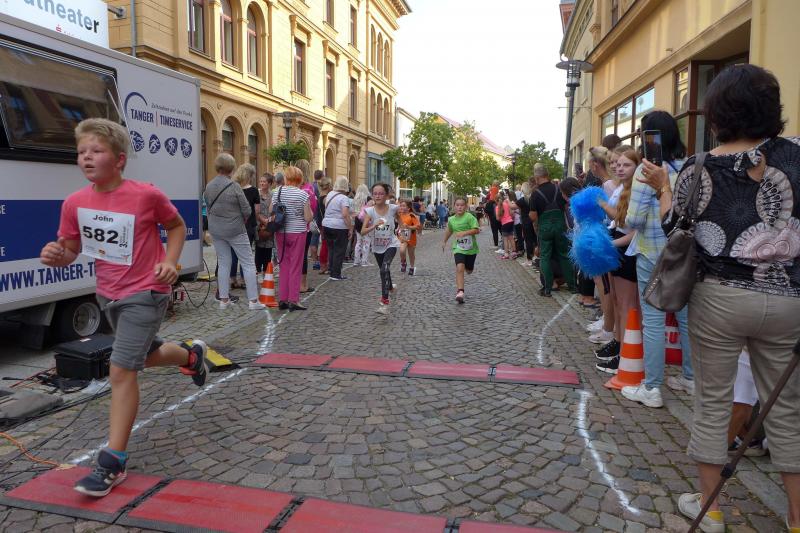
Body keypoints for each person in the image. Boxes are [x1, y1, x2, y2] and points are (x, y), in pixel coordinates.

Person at [638, 65, 800, 533]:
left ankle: (709, 509)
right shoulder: (796, 156)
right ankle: (796, 516)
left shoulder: (700, 166)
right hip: (787, 296)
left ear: (717, 113)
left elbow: (675, 230)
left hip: (720, 296)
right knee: (787, 409)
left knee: (713, 401)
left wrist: (664, 188)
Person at [40, 118, 208, 497]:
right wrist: (57, 256)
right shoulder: (74, 203)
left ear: (119, 160)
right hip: (108, 295)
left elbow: (176, 226)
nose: (86, 158)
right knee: (143, 356)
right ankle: (191, 357)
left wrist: (171, 262)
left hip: (147, 291)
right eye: (81, 152)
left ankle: (113, 461)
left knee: (120, 369)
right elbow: (70, 249)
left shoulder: (145, 195)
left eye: (96, 151)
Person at [619, 110, 695, 408]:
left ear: (648, 137)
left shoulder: (646, 170)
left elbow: (634, 219)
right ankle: (690, 378)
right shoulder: (689, 166)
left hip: (652, 252)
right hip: (683, 252)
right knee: (686, 318)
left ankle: (651, 388)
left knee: (653, 321)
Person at [595, 148, 641, 374]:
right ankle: (619, 344)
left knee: (626, 306)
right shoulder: (623, 187)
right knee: (617, 301)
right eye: (615, 163)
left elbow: (634, 228)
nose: (618, 168)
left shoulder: (637, 190)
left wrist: (604, 207)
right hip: (618, 243)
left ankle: (625, 354)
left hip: (626, 248)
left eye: (625, 165)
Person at [205, 155, 265, 310]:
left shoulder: (209, 186)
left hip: (216, 230)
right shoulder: (234, 186)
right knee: (248, 262)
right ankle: (253, 301)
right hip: (235, 229)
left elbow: (208, 207)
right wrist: (240, 219)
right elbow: (247, 210)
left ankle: (223, 299)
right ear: (232, 168)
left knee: (223, 262)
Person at [530, 163, 575, 295]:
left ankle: (547, 288)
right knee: (564, 255)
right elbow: (566, 207)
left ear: (536, 177)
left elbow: (533, 216)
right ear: (547, 175)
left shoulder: (535, 194)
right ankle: (573, 286)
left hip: (545, 228)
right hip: (560, 226)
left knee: (545, 257)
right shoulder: (558, 189)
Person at [273, 166, 314, 311]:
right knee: (295, 266)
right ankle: (293, 300)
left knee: (283, 265)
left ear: (286, 178)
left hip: (281, 232)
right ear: (299, 178)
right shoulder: (302, 194)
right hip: (298, 232)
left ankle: (283, 298)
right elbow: (308, 217)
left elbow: (273, 211)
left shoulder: (277, 192)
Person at [361, 183, 399, 315]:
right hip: (377, 246)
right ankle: (390, 287)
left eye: (381, 193)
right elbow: (363, 231)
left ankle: (384, 302)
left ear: (386, 196)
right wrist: (374, 225)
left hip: (391, 244)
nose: (377, 196)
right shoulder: (370, 211)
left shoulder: (393, 209)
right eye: (375, 194)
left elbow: (401, 220)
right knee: (384, 270)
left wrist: (402, 229)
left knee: (384, 269)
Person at [442, 197, 480, 303]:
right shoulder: (451, 219)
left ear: (466, 207)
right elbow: (449, 230)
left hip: (471, 249)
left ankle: (469, 267)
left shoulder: (469, 217)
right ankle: (460, 292)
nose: (459, 207)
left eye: (462, 205)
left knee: (469, 270)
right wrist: (444, 241)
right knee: (459, 267)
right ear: (454, 206)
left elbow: (476, 230)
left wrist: (464, 233)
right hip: (458, 248)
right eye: (457, 205)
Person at [229, 163, 260, 288]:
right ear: (250, 175)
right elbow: (256, 211)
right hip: (248, 225)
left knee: (233, 253)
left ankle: (232, 279)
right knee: (245, 254)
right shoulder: (253, 190)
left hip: (233, 224)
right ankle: (243, 279)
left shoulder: (232, 187)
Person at [322, 176, 353, 281]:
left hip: (327, 225)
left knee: (331, 249)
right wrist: (350, 228)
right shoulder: (344, 198)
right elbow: (345, 214)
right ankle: (336, 274)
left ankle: (331, 270)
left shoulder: (330, 194)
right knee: (339, 250)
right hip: (339, 227)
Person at [295, 160, 318, 294]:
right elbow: (313, 208)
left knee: (292, 256)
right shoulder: (309, 189)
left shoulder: (289, 187)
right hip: (304, 227)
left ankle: (292, 282)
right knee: (302, 255)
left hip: (289, 227)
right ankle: (302, 284)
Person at [255, 173, 274, 277]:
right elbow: (255, 211)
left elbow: (274, 211)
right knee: (259, 249)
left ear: (270, 183)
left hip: (269, 226)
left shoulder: (273, 195)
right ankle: (258, 271)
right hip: (259, 226)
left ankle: (266, 273)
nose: (262, 183)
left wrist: (269, 221)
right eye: (261, 181)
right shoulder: (256, 194)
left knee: (268, 250)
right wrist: (263, 221)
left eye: (264, 181)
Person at [398, 199, 422, 275]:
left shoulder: (411, 215)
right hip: (403, 236)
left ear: (408, 208)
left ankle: (412, 267)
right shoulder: (399, 215)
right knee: (402, 250)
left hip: (411, 237)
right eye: (400, 206)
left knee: (411, 254)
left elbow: (418, 226)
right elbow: (397, 224)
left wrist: (408, 227)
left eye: (403, 206)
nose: (401, 207)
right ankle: (403, 262)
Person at [352, 184, 373, 266]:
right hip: (366, 221)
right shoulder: (368, 199)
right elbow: (371, 210)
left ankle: (356, 261)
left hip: (357, 221)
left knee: (358, 242)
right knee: (366, 241)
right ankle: (364, 261)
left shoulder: (355, 199)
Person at [316, 177, 332, 275]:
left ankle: (323, 265)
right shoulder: (326, 198)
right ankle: (324, 266)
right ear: (328, 186)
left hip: (321, 223)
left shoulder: (319, 196)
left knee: (324, 244)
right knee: (326, 245)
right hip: (326, 223)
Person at [517, 183, 536, 264]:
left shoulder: (522, 200)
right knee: (535, 239)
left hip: (526, 221)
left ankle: (529, 259)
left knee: (528, 240)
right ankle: (535, 257)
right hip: (534, 220)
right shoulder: (533, 198)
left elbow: (514, 207)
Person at [309, 169, 324, 270]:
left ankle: (315, 260)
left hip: (311, 216)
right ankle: (315, 262)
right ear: (322, 176)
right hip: (317, 217)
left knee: (312, 239)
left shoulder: (310, 186)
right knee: (315, 240)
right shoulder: (320, 187)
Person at [495, 191, 515, 260]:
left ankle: (506, 254)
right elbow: (511, 213)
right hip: (511, 221)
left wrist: (501, 217)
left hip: (504, 223)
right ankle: (514, 252)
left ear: (496, 200)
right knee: (511, 238)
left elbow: (497, 218)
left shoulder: (497, 207)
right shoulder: (506, 204)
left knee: (505, 239)